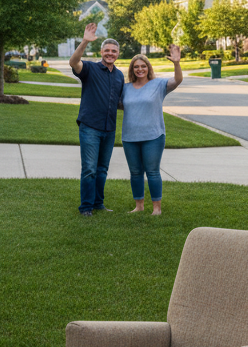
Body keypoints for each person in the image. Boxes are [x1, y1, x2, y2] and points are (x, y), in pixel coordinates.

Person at [121, 46, 183, 215]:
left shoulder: (159, 84)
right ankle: (139, 206)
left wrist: (177, 63)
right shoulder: (125, 88)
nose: (140, 69)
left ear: (148, 68)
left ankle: (157, 209)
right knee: (135, 172)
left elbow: (177, 80)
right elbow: (116, 104)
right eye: (136, 67)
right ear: (132, 70)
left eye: (143, 66)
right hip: (129, 137)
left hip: (153, 136)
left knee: (152, 172)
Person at [69, 23, 123, 216]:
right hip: (90, 127)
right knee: (90, 169)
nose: (110, 53)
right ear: (101, 52)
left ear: (118, 54)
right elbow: (73, 62)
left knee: (102, 170)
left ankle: (98, 203)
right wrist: (85, 41)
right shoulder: (90, 68)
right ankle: (86, 207)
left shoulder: (119, 76)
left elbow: (119, 102)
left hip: (109, 129)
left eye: (114, 51)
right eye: (107, 50)